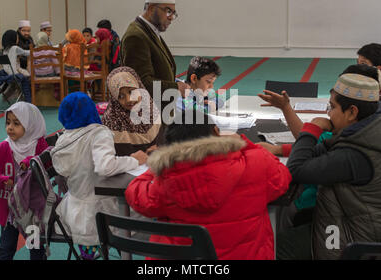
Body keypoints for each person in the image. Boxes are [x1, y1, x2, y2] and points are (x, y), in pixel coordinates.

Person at [125, 109, 292, 260]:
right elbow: (282, 178)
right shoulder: (255, 164)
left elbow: (137, 196)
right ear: (216, 131)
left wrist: (157, 166)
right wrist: (246, 145)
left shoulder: (167, 180)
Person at [276, 73, 381, 260]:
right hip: (372, 223)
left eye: (332, 107)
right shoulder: (373, 130)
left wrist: (312, 129)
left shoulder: (355, 155)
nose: (328, 113)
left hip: (355, 239)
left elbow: (295, 171)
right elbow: (316, 152)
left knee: (275, 246)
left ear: (352, 112)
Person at [50, 92, 148, 260]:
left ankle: (89, 254)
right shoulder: (98, 133)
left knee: (90, 246)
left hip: (74, 209)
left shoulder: (63, 138)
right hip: (100, 211)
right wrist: (133, 160)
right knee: (145, 208)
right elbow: (105, 167)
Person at [0, 102, 49, 260]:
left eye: (16, 123)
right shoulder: (4, 147)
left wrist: (30, 161)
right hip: (10, 212)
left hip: (32, 212)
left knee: (36, 250)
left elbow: (49, 160)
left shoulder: (39, 144)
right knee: (6, 250)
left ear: (30, 125)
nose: (10, 128)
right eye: (8, 122)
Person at [121, 0, 190, 112]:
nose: (171, 18)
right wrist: (177, 87)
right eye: (168, 11)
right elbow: (141, 83)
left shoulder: (149, 31)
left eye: (173, 13)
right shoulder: (136, 36)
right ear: (152, 8)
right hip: (148, 117)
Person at [102, 66, 162, 156]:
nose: (129, 100)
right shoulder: (112, 120)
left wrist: (158, 147)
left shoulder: (150, 107)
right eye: (121, 96)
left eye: (131, 92)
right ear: (115, 99)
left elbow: (162, 138)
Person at [1, 30, 32, 102]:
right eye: (17, 37)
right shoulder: (15, 48)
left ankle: (10, 93)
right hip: (15, 73)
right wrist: (36, 50)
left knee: (15, 82)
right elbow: (26, 53)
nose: (18, 39)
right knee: (30, 76)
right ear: (13, 38)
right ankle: (27, 98)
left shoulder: (5, 50)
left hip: (7, 73)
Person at [33, 32, 60, 100]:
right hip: (49, 74)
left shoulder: (33, 51)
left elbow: (33, 64)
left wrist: (32, 75)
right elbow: (56, 63)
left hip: (38, 74)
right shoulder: (50, 50)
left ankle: (36, 85)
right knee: (57, 78)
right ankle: (56, 90)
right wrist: (59, 73)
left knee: (38, 73)